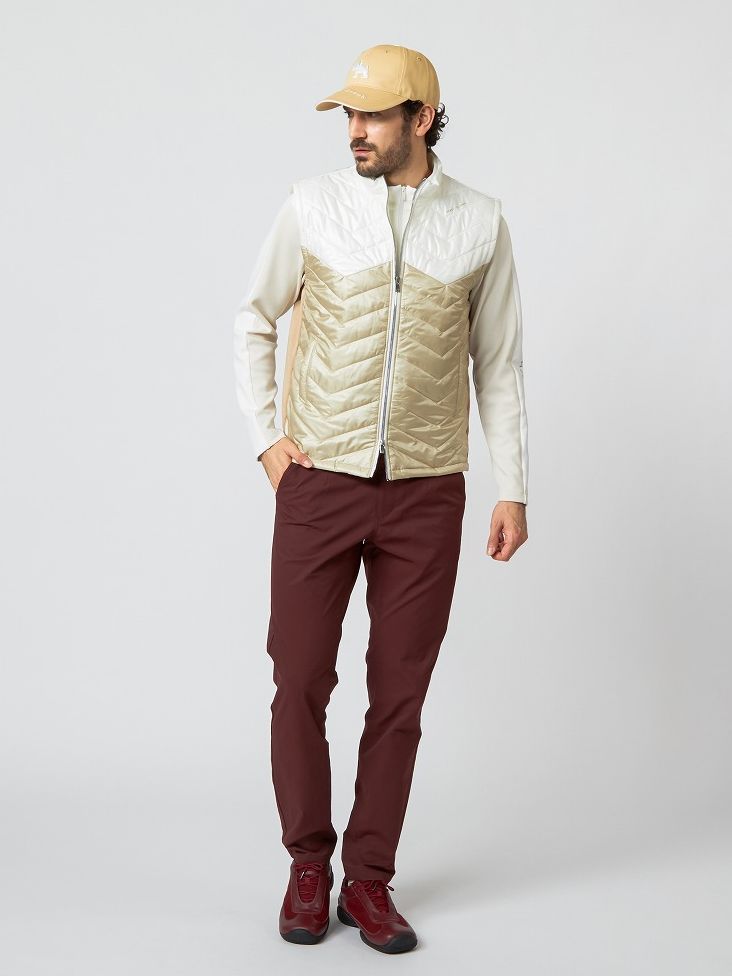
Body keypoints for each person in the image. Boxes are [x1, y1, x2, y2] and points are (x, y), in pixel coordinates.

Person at [233, 43, 529, 954]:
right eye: (349, 116)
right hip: (319, 481)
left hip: (426, 493)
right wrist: (269, 441)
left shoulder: (480, 223)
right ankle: (307, 865)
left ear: (421, 120)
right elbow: (254, 316)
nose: (355, 131)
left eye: (372, 115)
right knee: (299, 680)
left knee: (399, 696)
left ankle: (368, 880)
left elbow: (499, 363)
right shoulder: (312, 205)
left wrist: (513, 487)